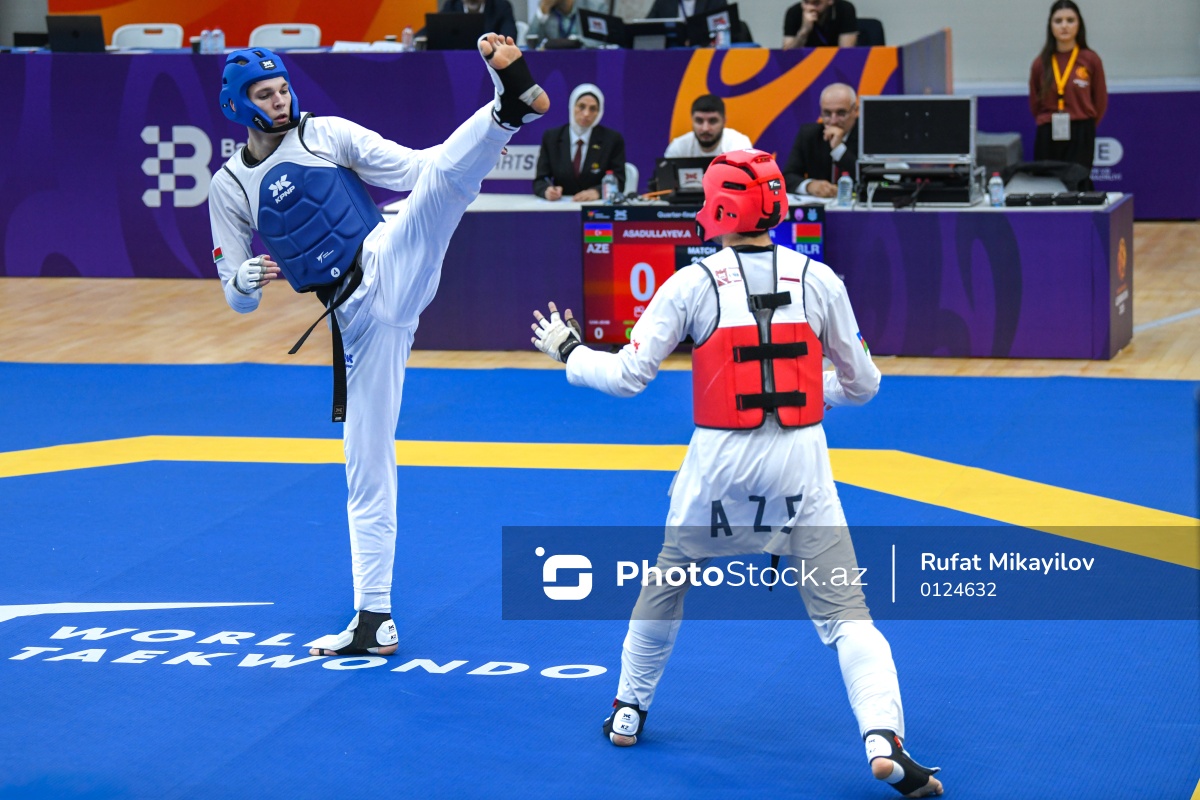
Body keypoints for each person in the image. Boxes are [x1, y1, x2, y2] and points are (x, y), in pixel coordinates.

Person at [528, 149, 943, 798]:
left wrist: (571, 352)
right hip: (801, 462)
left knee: (667, 581)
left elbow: (629, 376)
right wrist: (809, 392)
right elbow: (865, 385)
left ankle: (628, 709)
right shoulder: (820, 280)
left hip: (718, 465)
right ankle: (882, 737)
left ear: (718, 209)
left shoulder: (691, 283)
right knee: (848, 614)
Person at [207, 36, 548, 656]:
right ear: (237, 105)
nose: (280, 100)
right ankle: (374, 620)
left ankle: (509, 108)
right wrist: (244, 280)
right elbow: (237, 299)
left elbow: (418, 169)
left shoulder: (326, 133)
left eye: (282, 88)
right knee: (365, 465)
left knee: (441, 186)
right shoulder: (229, 188)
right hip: (356, 320)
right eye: (265, 94)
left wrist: (483, 137)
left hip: (387, 255)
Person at [1028, 0, 1106, 190]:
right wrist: (1048, 119)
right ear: (1050, 25)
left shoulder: (1090, 59)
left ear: (1079, 24)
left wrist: (1085, 125)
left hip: (1081, 130)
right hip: (1048, 130)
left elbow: (1100, 101)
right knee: (1048, 185)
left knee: (1078, 184)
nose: (1064, 26)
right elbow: (1035, 103)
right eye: (1058, 21)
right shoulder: (1040, 63)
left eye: (1070, 20)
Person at [533, 83, 627, 201]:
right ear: (572, 106)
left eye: (593, 109)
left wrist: (597, 192)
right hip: (561, 205)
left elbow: (619, 180)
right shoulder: (552, 137)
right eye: (581, 106)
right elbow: (540, 180)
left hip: (596, 205)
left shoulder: (612, 139)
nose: (586, 114)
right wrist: (547, 190)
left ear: (599, 112)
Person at [783, 82, 859, 196]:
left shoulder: (868, 135)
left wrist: (839, 149)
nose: (833, 121)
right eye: (827, 113)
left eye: (841, 113)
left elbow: (869, 177)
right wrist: (809, 185)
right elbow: (787, 177)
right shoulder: (809, 135)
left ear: (855, 111)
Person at [664, 94, 752, 158]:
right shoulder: (679, 147)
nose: (705, 128)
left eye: (712, 121)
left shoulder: (739, 145)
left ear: (724, 121)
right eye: (699, 121)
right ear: (692, 120)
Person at [782, 0, 858, 49]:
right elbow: (787, 55)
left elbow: (846, 52)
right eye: (806, 2)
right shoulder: (794, 12)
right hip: (806, 62)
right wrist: (804, 32)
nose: (810, 8)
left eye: (816, 3)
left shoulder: (845, 9)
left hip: (835, 62)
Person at [527, 0, 607, 43]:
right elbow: (531, 41)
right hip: (555, 61)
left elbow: (601, 40)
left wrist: (575, 42)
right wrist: (542, 12)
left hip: (587, 60)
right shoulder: (547, 6)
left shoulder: (595, 6)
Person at [436, 0, 518, 41]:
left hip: (491, 61)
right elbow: (435, 34)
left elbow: (509, 37)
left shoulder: (501, 6)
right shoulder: (451, 6)